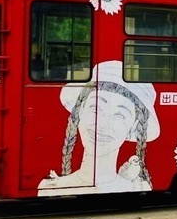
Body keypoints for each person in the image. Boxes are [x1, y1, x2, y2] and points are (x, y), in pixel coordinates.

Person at [38, 60, 159, 194]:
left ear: (134, 127)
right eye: (95, 108)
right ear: (80, 110)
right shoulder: (49, 188)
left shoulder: (139, 187)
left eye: (119, 115)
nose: (102, 124)